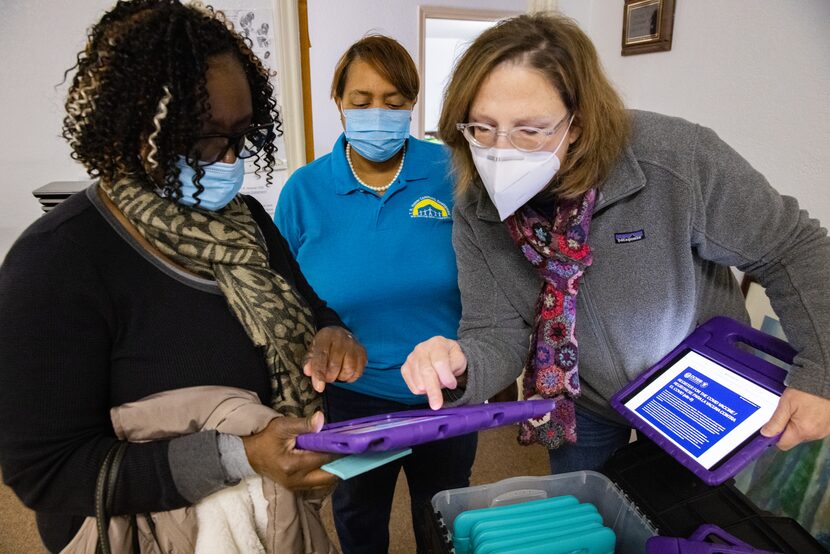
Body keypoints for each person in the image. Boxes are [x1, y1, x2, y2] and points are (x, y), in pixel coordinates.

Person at [0, 1, 366, 551]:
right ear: (130, 130)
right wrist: (235, 455)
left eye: (242, 135)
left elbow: (310, 306)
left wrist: (331, 332)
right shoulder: (58, 264)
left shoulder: (250, 222)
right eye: (202, 141)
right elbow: (47, 472)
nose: (228, 160)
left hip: (270, 514)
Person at [401, 13, 830, 475]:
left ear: (579, 124)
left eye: (529, 131)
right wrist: (459, 363)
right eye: (482, 128)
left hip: (696, 393)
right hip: (584, 401)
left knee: (686, 524)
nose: (500, 151)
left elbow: (792, 248)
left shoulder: (674, 158)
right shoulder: (476, 205)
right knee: (588, 524)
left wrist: (821, 374)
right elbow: (496, 331)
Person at [274, 35, 477, 553]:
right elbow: (284, 295)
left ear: (412, 104)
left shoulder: (453, 171)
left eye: (392, 101)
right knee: (359, 517)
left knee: (446, 515)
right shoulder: (305, 190)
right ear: (338, 102)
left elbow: (492, 275)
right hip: (351, 396)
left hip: (445, 389)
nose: (377, 114)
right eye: (361, 101)